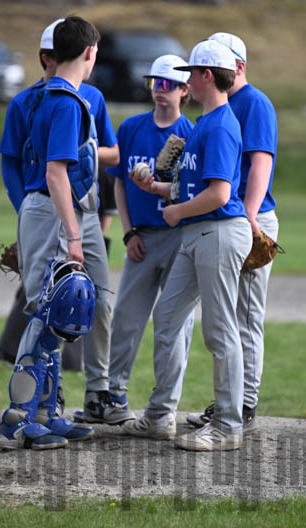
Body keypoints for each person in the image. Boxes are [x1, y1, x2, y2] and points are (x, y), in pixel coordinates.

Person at [122, 40, 251, 452]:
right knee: (167, 317)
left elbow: (219, 194)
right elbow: (191, 186)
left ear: (207, 76)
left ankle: (228, 425)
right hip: (198, 234)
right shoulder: (204, 123)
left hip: (218, 231)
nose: (187, 80)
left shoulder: (222, 124)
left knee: (219, 331)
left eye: (191, 73)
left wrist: (176, 212)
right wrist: (157, 189)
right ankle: (160, 414)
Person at [0, 17, 120, 377]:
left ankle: (68, 393)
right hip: (49, 209)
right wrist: (32, 216)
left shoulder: (75, 98)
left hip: (76, 209)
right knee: (46, 308)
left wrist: (85, 150)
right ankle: (32, 399)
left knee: (79, 302)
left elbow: (106, 155)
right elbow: (51, 171)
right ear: (88, 53)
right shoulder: (53, 102)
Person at [85, 54, 197, 426]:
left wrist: (161, 188)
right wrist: (129, 231)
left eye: (169, 85)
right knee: (126, 318)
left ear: (185, 90)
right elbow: (118, 182)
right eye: (155, 83)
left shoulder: (191, 133)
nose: (160, 91)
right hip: (142, 237)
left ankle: (164, 409)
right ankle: (114, 395)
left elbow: (194, 191)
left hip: (179, 236)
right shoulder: (132, 127)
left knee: (175, 325)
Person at [184, 33, 279, 434]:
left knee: (245, 316)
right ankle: (230, 402)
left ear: (239, 65)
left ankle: (245, 404)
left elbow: (260, 163)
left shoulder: (254, 103)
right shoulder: (216, 105)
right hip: (225, 215)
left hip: (250, 216)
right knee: (225, 315)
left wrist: (250, 216)